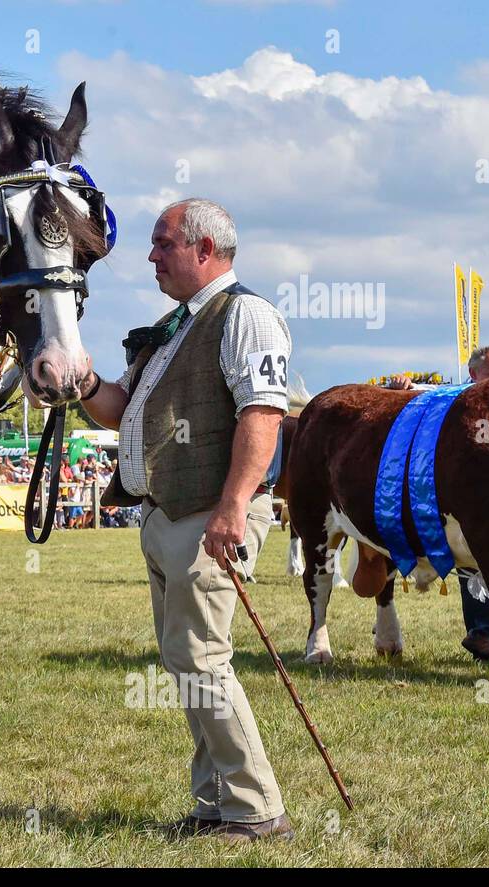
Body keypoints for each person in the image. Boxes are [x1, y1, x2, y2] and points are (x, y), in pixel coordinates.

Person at [80, 198, 294, 843]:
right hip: (169, 515)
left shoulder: (246, 315)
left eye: (162, 243)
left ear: (206, 250)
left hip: (209, 516)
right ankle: (215, 801)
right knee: (185, 660)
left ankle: (255, 809)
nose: (150, 256)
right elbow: (118, 410)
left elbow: (263, 413)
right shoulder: (175, 325)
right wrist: (79, 379)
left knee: (201, 659)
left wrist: (232, 509)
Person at [386, 345, 489, 661]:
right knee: (475, 562)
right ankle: (483, 634)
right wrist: (409, 388)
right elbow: (434, 393)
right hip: (470, 502)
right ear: (473, 374)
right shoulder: (459, 399)